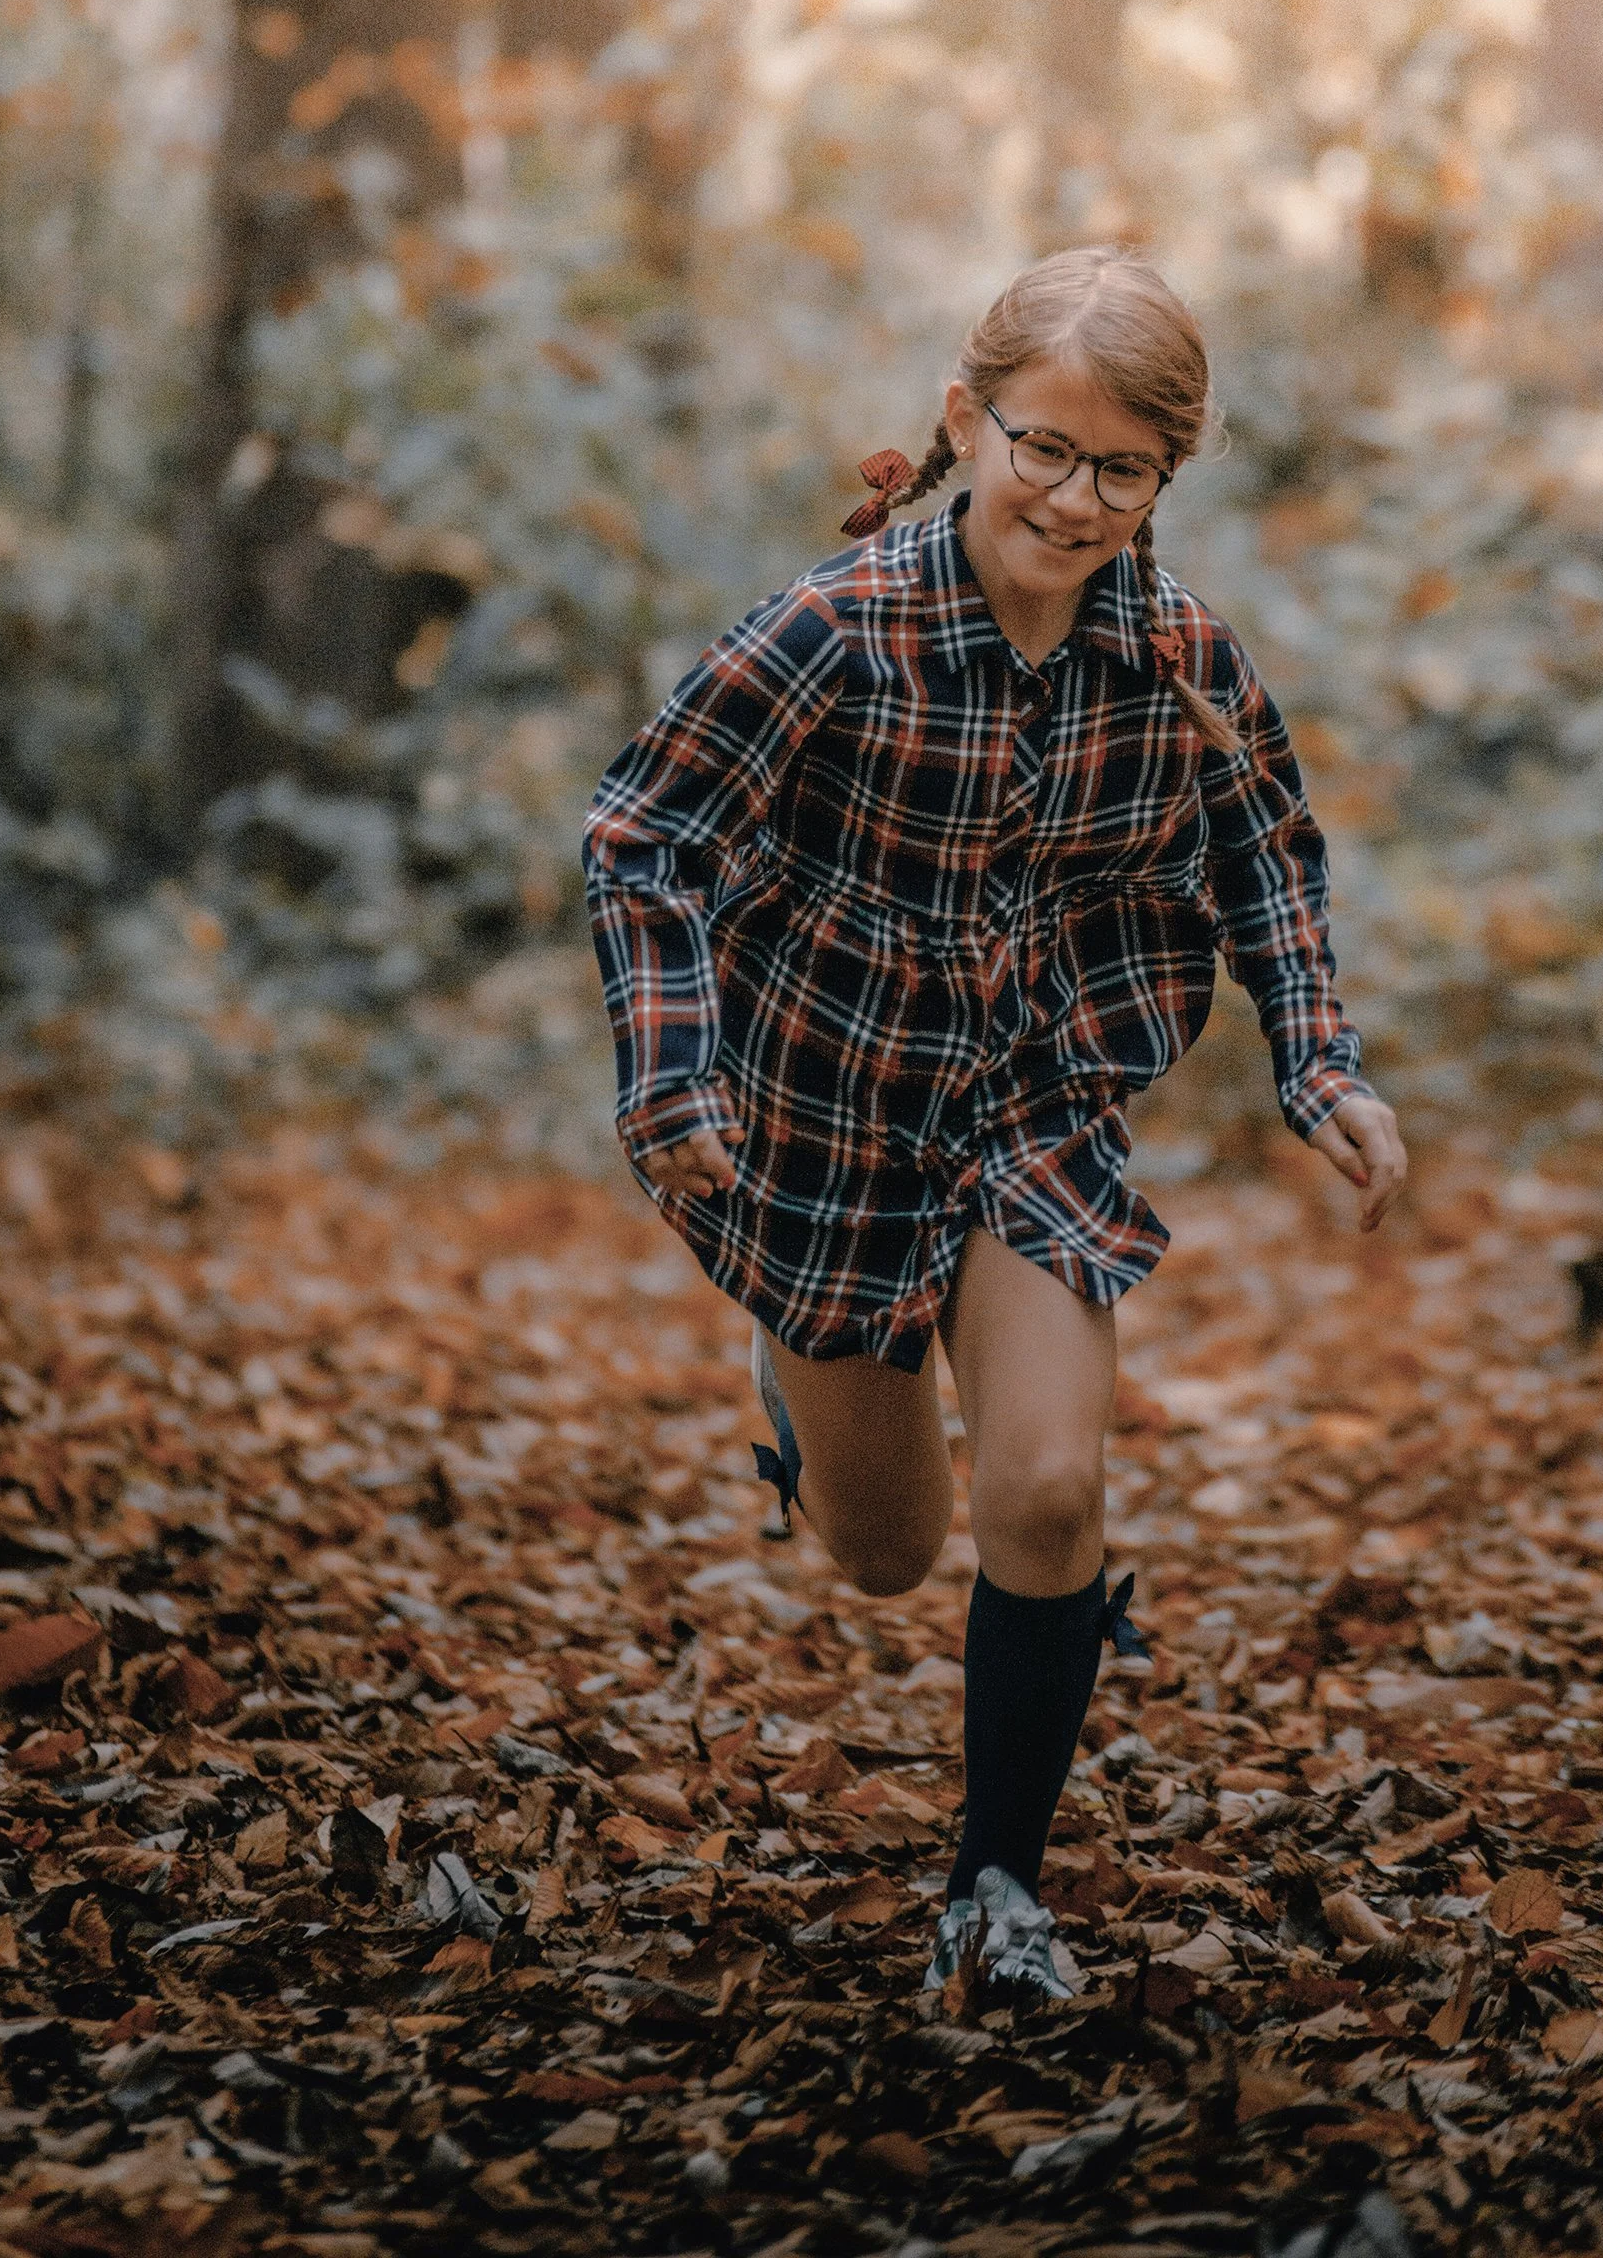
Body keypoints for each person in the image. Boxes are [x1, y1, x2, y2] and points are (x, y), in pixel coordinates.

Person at [583, 247, 1406, 2006]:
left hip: (1031, 1118)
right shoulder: (835, 632)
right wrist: (672, 1077)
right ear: (967, 422)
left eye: (1125, 469)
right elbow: (638, 835)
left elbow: (1268, 851)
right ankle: (802, 1401)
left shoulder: (1175, 653)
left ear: (1166, 481)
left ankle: (994, 1888)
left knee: (1042, 1494)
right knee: (885, 1554)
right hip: (822, 1126)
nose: (1075, 496)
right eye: (1045, 447)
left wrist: (1320, 1062)